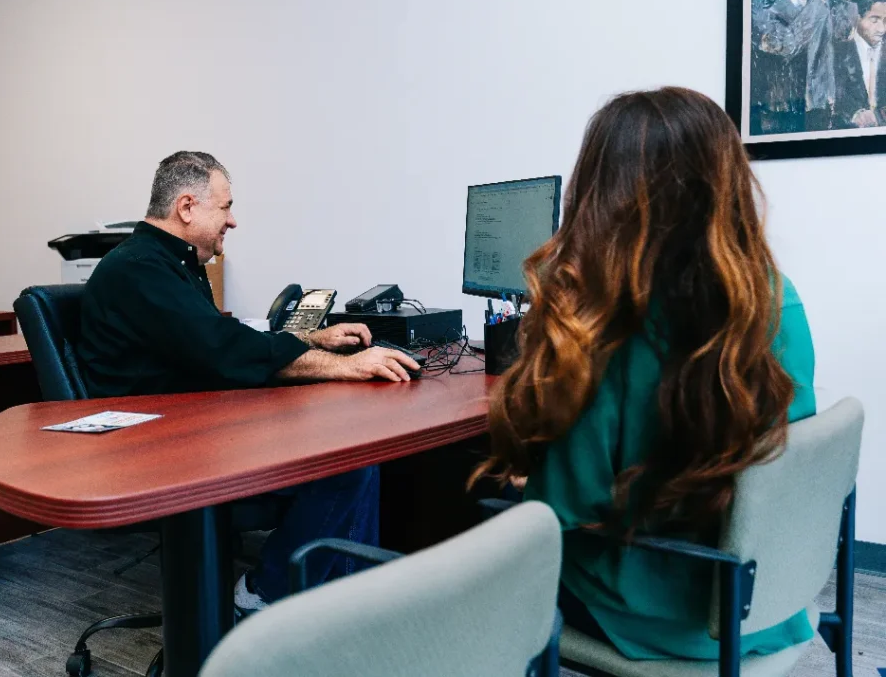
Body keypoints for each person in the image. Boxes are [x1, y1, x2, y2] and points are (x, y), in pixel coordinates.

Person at [473, 88, 817, 660]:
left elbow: (564, 510)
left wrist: (524, 481)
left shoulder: (613, 326)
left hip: (648, 610)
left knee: (479, 530)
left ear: (603, 193)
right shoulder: (777, 297)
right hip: (757, 598)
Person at [78, 151, 419, 616]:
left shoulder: (170, 262)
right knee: (346, 464)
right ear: (186, 207)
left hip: (196, 430)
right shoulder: (139, 269)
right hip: (157, 453)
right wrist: (345, 366)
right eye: (225, 207)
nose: (232, 221)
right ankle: (265, 595)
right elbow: (220, 348)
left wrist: (307, 339)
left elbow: (211, 341)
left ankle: (341, 606)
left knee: (352, 449)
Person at [751, 0, 844, 133]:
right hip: (780, 106)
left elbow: (844, 34)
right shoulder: (757, 0)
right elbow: (786, 45)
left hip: (820, 103)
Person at [833, 0, 886, 126]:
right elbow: (835, 94)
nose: (882, 29)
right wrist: (855, 113)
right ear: (857, 19)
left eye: (885, 21)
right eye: (874, 21)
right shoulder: (837, 52)